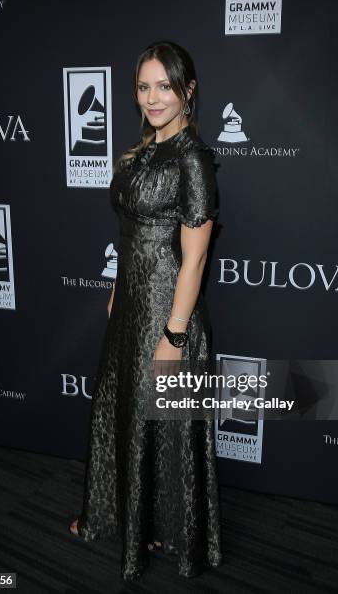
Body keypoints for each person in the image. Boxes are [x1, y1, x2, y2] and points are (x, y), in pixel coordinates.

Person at [69, 40, 223, 581]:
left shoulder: (194, 160)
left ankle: (165, 533)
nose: (152, 98)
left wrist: (175, 336)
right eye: (143, 86)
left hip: (166, 311)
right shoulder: (141, 154)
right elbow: (130, 235)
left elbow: (195, 258)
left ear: (188, 91)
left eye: (164, 86)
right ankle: (136, 522)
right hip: (131, 305)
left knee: (165, 423)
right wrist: (118, 286)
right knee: (130, 414)